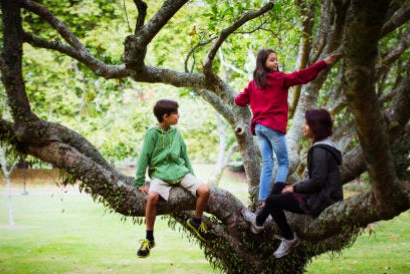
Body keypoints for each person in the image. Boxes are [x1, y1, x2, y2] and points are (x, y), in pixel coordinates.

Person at [234, 49, 339, 209]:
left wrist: (252, 100)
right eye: (272, 60)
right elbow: (301, 76)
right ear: (263, 63)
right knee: (283, 163)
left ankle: (262, 199)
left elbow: (239, 100)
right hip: (273, 127)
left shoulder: (253, 84)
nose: (276, 63)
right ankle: (276, 198)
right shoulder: (279, 79)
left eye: (276, 59)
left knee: (267, 164)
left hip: (260, 128)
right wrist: (323, 63)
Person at [241, 109, 343, 258]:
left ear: (316, 126)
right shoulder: (326, 145)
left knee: (272, 201)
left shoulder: (320, 150)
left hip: (321, 201)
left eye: (307, 124)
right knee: (278, 187)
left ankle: (289, 238)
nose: (303, 127)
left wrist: (294, 188)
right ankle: (259, 222)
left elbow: (317, 182)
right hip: (321, 196)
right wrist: (291, 188)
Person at [134, 99, 211, 258]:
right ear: (165, 116)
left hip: (180, 172)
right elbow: (144, 157)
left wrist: (193, 179)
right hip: (160, 175)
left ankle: (196, 221)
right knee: (152, 197)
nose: (178, 115)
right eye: (175, 113)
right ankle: (149, 238)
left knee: (204, 190)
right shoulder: (152, 134)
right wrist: (140, 182)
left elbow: (184, 156)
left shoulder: (176, 133)